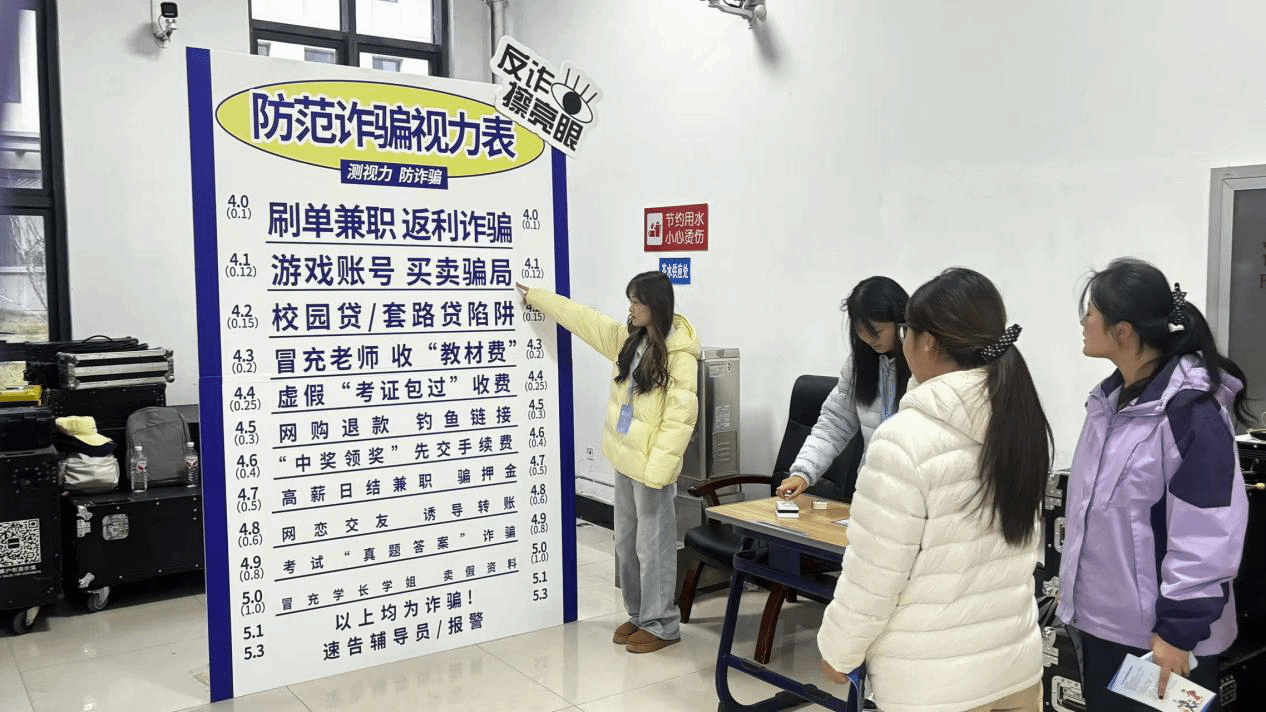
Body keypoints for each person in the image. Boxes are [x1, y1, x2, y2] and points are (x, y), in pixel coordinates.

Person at [818, 268, 1051, 712]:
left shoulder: (902, 439)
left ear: (927, 342)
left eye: (908, 330)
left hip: (933, 686)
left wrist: (838, 650)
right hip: (1015, 672)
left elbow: (873, 576)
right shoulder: (1021, 422)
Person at [1058, 258, 1250, 709]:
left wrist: (1178, 631)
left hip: (1162, 642)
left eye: (1091, 313)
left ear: (1123, 331)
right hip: (1099, 625)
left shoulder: (1190, 412)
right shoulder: (1107, 402)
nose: (1083, 323)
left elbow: (1207, 531)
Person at [516, 272, 700, 653]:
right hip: (624, 460)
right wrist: (539, 296)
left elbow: (679, 419)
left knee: (654, 548)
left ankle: (663, 623)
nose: (630, 308)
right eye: (630, 300)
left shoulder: (680, 356)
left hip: (651, 470)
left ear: (656, 306)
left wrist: (657, 472)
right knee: (627, 544)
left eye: (637, 302)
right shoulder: (629, 340)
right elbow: (586, 320)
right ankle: (640, 615)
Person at [777, 276, 912, 502]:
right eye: (861, 330)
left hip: (912, 493)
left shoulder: (922, 365)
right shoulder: (858, 365)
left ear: (900, 322)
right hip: (871, 491)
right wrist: (803, 472)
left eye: (876, 330)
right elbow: (833, 424)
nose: (869, 339)